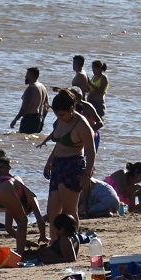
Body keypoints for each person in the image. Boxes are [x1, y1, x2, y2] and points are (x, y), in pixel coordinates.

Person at [43, 89, 95, 235]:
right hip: (58, 165)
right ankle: (55, 242)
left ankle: (72, 241)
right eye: (57, 114)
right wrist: (49, 161)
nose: (59, 117)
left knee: (69, 210)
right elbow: (59, 143)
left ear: (72, 109)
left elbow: (91, 151)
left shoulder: (81, 124)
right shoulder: (61, 120)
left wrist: (87, 175)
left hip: (73, 166)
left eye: (62, 114)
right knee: (52, 211)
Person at [11, 67, 49, 134]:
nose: (25, 76)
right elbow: (46, 106)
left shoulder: (31, 89)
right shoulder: (42, 87)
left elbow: (25, 107)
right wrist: (42, 119)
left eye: (27, 75)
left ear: (31, 76)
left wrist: (15, 120)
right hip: (38, 119)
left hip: (29, 119)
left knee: (24, 139)